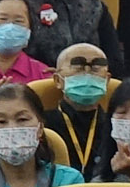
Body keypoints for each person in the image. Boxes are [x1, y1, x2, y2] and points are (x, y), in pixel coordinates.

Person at [44, 42, 116, 175]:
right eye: (78, 68)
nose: (87, 74)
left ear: (107, 80)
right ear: (58, 80)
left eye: (95, 69)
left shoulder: (115, 124)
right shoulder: (42, 124)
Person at [0, 0, 51, 93]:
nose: (9, 27)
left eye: (18, 21)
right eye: (2, 19)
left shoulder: (43, 75)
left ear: (29, 31)